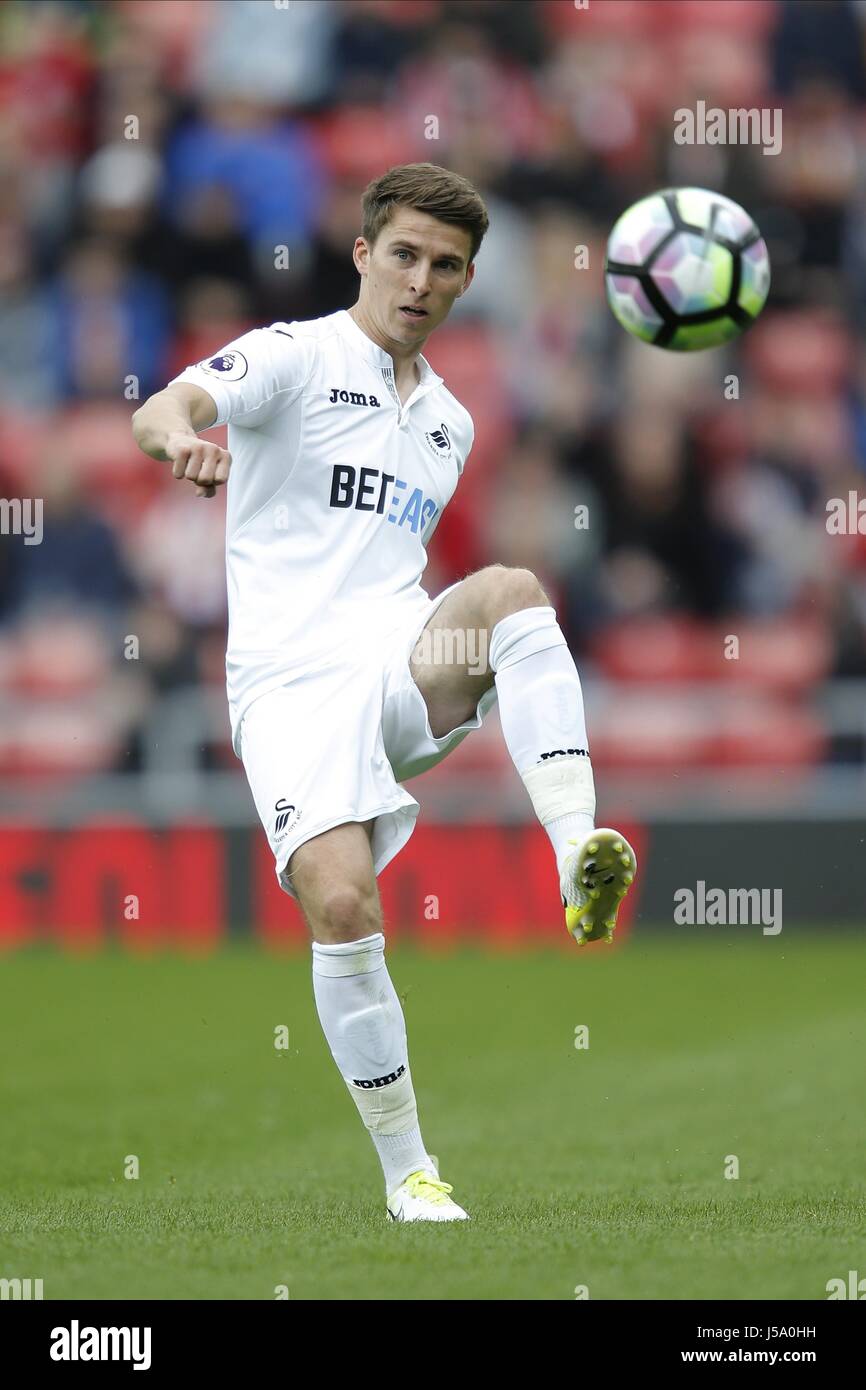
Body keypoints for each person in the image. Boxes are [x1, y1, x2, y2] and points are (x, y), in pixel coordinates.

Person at [132, 162, 637, 1223]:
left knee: (507, 590)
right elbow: (170, 402)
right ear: (363, 253)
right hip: (287, 683)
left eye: (443, 266)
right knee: (343, 901)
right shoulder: (293, 354)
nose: (419, 280)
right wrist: (181, 437)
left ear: (463, 284)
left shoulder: (450, 422)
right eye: (402, 254)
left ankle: (574, 854)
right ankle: (409, 1170)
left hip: (398, 654)